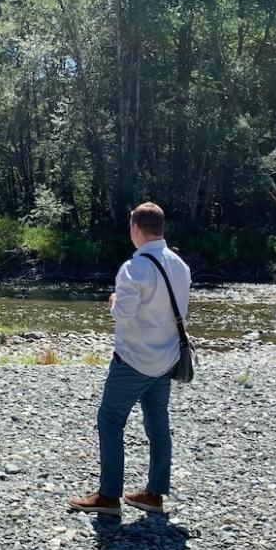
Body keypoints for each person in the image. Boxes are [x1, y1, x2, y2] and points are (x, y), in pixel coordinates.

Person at [68, 202, 191, 516]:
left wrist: (112, 300)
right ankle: (154, 494)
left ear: (136, 229)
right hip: (166, 361)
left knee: (109, 421)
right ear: (160, 228)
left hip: (133, 361)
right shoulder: (180, 265)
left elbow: (122, 316)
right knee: (158, 425)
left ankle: (108, 496)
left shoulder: (133, 268)